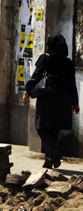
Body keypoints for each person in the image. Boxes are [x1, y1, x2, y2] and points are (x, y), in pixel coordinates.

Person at [23, 34, 80, 169]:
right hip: (63, 99)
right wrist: (75, 103)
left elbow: (36, 76)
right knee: (54, 129)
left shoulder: (46, 58)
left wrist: (27, 91)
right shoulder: (68, 63)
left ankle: (54, 153)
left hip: (47, 98)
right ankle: (49, 161)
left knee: (41, 127)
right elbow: (72, 84)